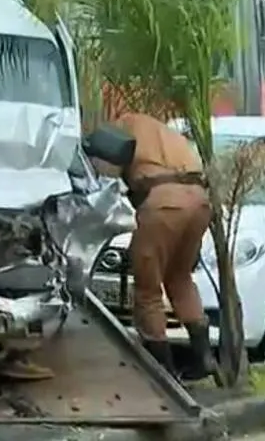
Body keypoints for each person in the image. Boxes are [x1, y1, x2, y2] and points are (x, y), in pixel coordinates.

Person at [109, 112, 214, 380]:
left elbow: (105, 176)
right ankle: (205, 358)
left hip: (163, 203)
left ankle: (163, 370)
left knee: (148, 289)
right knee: (180, 278)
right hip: (200, 201)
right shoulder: (168, 134)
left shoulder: (122, 128)